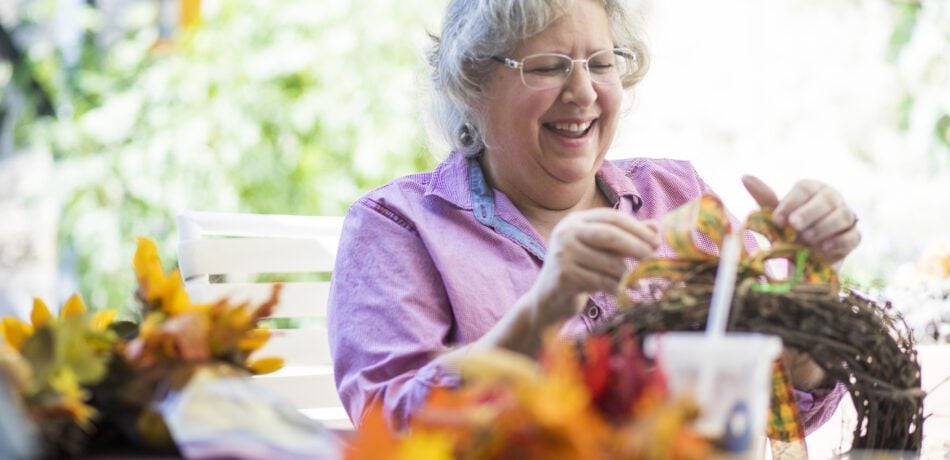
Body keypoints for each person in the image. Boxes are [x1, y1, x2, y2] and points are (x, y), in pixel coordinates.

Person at [327, 0, 860, 431]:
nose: (583, 92)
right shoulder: (399, 226)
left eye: (601, 64)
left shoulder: (678, 197)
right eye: (548, 66)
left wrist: (806, 310)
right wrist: (544, 310)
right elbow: (390, 426)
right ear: (472, 83)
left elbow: (788, 408)